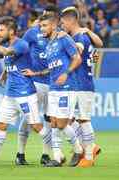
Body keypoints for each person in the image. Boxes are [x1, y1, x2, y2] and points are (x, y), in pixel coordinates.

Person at [0, 16, 52, 166]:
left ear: (12, 31)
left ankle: (54, 154)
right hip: (10, 95)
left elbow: (7, 52)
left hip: (25, 94)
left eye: (1, 30)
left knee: (36, 126)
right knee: (1, 125)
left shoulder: (21, 44)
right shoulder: (7, 44)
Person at [25, 12, 82, 167]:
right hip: (53, 88)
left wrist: (66, 73)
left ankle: (78, 149)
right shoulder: (49, 44)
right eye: (40, 26)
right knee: (54, 123)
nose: (41, 29)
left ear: (54, 25)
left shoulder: (64, 39)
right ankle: (57, 157)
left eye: (44, 26)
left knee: (62, 124)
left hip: (67, 87)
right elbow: (51, 68)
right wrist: (35, 73)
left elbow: (77, 58)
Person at [13, 5, 59, 166]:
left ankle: (45, 154)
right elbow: (18, 51)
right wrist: (6, 71)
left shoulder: (61, 36)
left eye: (49, 17)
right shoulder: (33, 32)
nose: (44, 19)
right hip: (35, 82)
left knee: (48, 119)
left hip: (53, 84)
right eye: (44, 16)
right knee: (29, 117)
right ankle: (20, 153)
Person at [60, 6, 101, 168]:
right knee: (70, 119)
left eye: (63, 23)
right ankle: (91, 146)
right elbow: (94, 51)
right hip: (79, 83)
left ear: (71, 21)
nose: (62, 26)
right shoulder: (83, 35)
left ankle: (89, 156)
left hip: (83, 83)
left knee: (84, 119)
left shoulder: (79, 38)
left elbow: (76, 54)